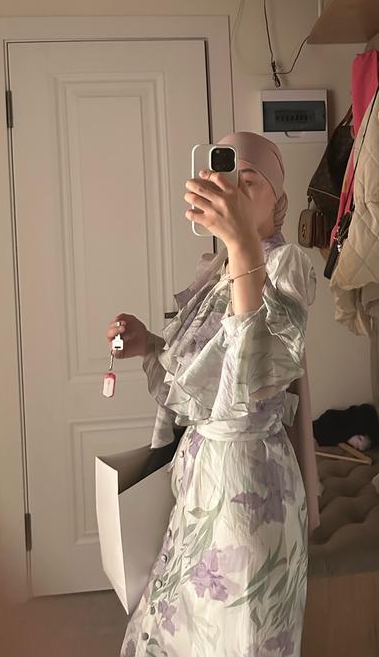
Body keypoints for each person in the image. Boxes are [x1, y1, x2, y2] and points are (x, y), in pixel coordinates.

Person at [105, 132, 316, 657]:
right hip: (201, 483)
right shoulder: (217, 272)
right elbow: (198, 390)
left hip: (249, 489)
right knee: (176, 631)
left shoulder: (285, 265)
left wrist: (242, 245)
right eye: (228, 182)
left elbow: (251, 381)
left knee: (237, 639)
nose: (235, 194)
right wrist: (151, 345)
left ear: (278, 201)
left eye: (250, 183)